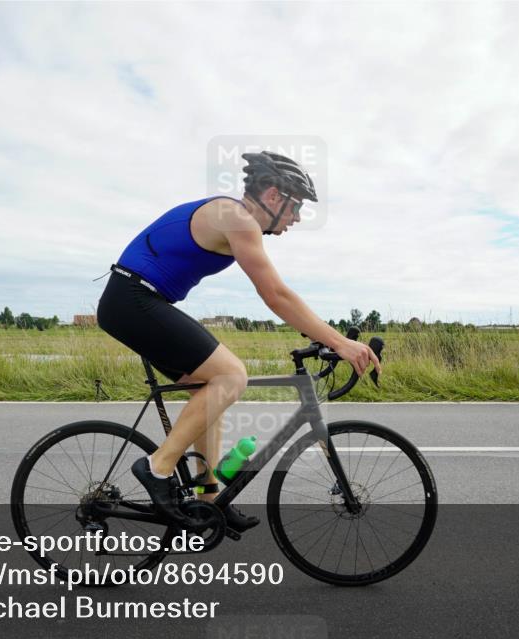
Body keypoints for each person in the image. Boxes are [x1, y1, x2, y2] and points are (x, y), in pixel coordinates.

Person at [96, 151, 381, 531]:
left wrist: (325, 335)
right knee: (232, 376)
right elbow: (275, 294)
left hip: (138, 300)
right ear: (275, 197)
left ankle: (208, 499)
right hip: (132, 299)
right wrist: (340, 343)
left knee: (211, 391)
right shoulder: (237, 218)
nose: (296, 218)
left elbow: (282, 297)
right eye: (296, 208)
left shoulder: (235, 218)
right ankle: (157, 468)